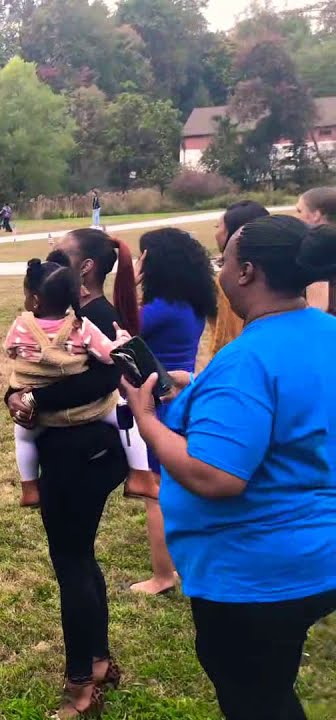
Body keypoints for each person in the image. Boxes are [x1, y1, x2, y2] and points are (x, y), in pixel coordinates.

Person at [121, 215, 336, 720]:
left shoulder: (250, 358)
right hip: (315, 557)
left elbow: (215, 476)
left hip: (256, 571)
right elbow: (286, 421)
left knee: (254, 698)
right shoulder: (324, 332)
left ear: (247, 273)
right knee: (271, 685)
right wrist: (187, 393)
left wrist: (147, 419)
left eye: (226, 260)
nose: (220, 270)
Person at [6, 228, 143, 718]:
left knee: (72, 566)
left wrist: (33, 400)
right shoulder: (68, 316)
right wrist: (16, 397)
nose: (49, 258)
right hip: (76, 454)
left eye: (60, 253)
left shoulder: (94, 317)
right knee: (80, 561)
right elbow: (29, 374)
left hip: (78, 458)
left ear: (84, 268)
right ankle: (98, 662)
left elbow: (107, 377)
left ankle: (80, 684)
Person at [4, 259, 145, 508]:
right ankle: (140, 475)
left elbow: (10, 350)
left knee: (23, 438)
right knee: (126, 419)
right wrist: (121, 340)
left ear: (35, 300)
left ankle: (29, 488)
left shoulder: (20, 325)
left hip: (38, 415)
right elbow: (107, 356)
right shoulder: (83, 327)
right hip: (89, 412)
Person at [128, 228, 217, 596]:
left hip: (160, 404)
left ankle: (164, 576)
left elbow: (117, 327)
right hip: (181, 399)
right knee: (178, 487)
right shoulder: (190, 303)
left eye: (143, 255)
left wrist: (130, 279)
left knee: (156, 493)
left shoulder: (161, 309)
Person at [209, 201, 269, 355]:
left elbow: (224, 335)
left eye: (218, 227)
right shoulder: (274, 268)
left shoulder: (230, 278)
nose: (216, 233)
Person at [296, 187, 336, 314]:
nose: (296, 216)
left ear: (316, 215)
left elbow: (318, 309)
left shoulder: (316, 251)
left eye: (299, 210)